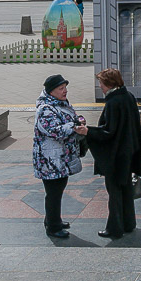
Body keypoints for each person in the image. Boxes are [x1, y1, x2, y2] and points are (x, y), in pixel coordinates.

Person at [85, 68, 141, 239]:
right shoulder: (128, 97)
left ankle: (114, 228)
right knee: (126, 189)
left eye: (101, 83)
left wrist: (87, 132)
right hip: (129, 152)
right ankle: (129, 223)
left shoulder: (113, 103)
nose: (100, 87)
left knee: (114, 192)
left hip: (116, 155)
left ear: (109, 84)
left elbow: (108, 132)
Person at [32, 74, 87, 239]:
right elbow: (54, 130)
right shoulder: (45, 109)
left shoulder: (59, 104)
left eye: (65, 88)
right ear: (51, 91)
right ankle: (53, 227)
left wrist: (75, 121)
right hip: (50, 160)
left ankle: (52, 220)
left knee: (57, 191)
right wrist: (74, 125)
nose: (65, 91)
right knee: (54, 193)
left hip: (58, 158)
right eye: (61, 88)